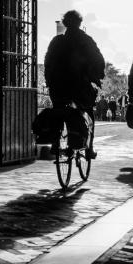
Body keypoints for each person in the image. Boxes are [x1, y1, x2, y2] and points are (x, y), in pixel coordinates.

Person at [44, 9, 106, 158]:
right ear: (79, 23)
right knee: (89, 111)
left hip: (59, 85)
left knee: (59, 110)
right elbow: (98, 60)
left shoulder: (57, 41)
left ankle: (55, 143)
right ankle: (89, 148)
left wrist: (49, 81)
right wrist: (98, 76)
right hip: (79, 85)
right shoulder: (87, 40)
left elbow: (48, 62)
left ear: (65, 24)